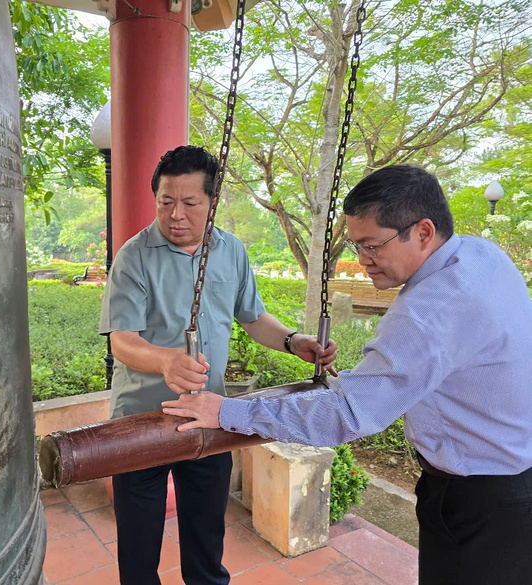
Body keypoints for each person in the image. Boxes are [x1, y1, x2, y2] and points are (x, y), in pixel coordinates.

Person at [162, 164, 532, 585]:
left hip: (479, 499)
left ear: (424, 232)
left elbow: (349, 415)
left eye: (372, 246)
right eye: (357, 245)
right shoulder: (481, 255)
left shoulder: (429, 311)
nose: (362, 261)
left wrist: (228, 411)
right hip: (513, 478)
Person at [100, 145, 337, 585]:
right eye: (166, 202)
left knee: (207, 539)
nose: (175, 214)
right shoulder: (133, 256)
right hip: (141, 420)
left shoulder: (231, 252)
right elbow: (123, 341)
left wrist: (292, 340)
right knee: (137, 546)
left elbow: (252, 317)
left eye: (190, 203)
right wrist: (166, 361)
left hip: (210, 415)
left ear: (212, 202)